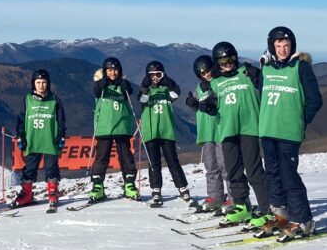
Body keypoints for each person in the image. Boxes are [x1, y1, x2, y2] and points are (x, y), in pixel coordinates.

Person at [257, 27, 323, 240]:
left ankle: (303, 220)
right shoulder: (266, 69)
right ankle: (280, 216)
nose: (282, 49)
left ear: (292, 45)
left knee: (289, 175)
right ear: (272, 47)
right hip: (268, 130)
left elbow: (315, 100)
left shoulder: (300, 67)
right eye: (278, 46)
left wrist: (300, 121)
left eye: (286, 45)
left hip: (288, 132)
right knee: (273, 174)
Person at [202, 41, 272, 228]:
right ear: (217, 63)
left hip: (249, 129)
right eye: (223, 62)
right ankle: (242, 205)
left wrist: (259, 74)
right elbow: (214, 104)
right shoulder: (216, 82)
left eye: (231, 59)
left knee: (254, 170)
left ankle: (267, 208)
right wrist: (207, 106)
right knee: (233, 170)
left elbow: (266, 84)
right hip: (227, 131)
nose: (228, 64)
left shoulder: (246, 73)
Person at [137, 61, 194, 207]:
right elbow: (142, 99)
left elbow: (176, 94)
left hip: (166, 131)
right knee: (153, 163)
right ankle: (156, 190)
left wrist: (168, 82)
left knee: (173, 161)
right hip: (151, 132)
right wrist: (145, 87)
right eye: (152, 75)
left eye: (158, 74)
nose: (155, 77)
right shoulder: (146, 92)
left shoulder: (166, 91)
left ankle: (182, 188)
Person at [12, 69, 67, 210]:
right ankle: (27, 194)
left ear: (48, 84)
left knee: (51, 168)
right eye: (38, 82)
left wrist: (60, 136)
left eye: (44, 82)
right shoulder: (27, 99)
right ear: (33, 84)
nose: (41, 85)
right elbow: (21, 119)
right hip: (32, 140)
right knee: (29, 169)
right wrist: (21, 136)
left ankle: (53, 192)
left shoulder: (54, 100)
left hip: (50, 140)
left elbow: (61, 121)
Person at [88, 57, 139, 202]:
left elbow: (129, 91)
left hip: (122, 126)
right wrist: (104, 81)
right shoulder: (100, 84)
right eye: (110, 70)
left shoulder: (122, 84)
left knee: (125, 156)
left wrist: (124, 85)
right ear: (105, 71)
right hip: (104, 127)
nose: (113, 73)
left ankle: (129, 183)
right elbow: (97, 91)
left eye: (115, 70)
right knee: (102, 157)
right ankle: (98, 186)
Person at [184, 55, 228, 213]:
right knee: (211, 167)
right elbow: (198, 106)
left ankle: (234, 198)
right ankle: (216, 197)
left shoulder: (220, 84)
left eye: (208, 71)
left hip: (221, 131)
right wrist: (192, 104)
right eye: (203, 73)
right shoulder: (199, 88)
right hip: (206, 133)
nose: (207, 74)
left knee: (225, 166)